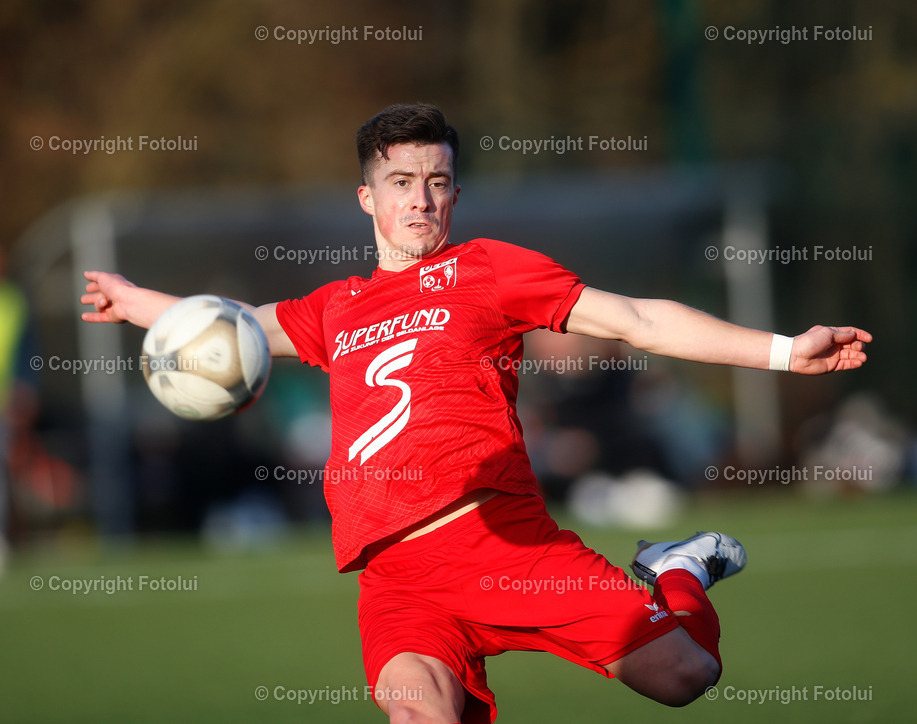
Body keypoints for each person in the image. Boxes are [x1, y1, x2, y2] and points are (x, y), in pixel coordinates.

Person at [80, 103, 871, 723]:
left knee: (685, 677)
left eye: (437, 182)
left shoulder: (489, 270)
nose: (421, 199)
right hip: (395, 578)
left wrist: (782, 350)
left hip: (503, 543)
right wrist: (135, 303)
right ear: (367, 196)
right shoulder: (336, 308)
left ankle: (678, 568)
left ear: (454, 190)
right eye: (401, 182)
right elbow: (228, 330)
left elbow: (635, 319)